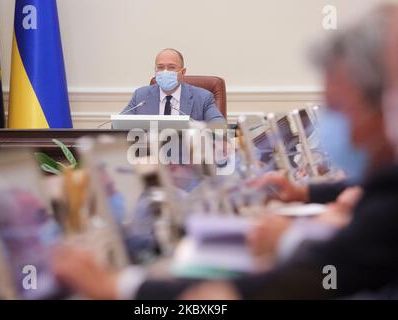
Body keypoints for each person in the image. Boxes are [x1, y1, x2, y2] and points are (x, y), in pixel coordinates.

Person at [52, 6, 398, 300]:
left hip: (187, 172)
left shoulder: (200, 98)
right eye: (160, 67)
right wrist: (307, 192)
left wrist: (120, 286)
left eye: (335, 107)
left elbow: (301, 279)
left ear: (386, 105)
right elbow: (117, 124)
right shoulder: (142, 94)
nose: (329, 120)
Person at [121, 48, 225, 123]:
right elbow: (118, 124)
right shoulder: (140, 96)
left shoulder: (203, 98)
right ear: (155, 70)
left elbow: (218, 125)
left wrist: (196, 128)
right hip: (150, 152)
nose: (165, 72)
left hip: (188, 151)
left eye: (171, 67)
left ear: (183, 72)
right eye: (160, 67)